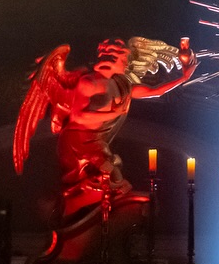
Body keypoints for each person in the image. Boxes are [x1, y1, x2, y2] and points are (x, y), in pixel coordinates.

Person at [14, 37, 197, 220]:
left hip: (96, 142)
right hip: (77, 142)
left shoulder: (121, 85)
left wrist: (184, 77)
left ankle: (97, 213)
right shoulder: (89, 82)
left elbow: (155, 91)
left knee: (114, 181)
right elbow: (79, 117)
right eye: (123, 59)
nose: (126, 64)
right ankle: (68, 208)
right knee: (110, 178)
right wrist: (113, 113)